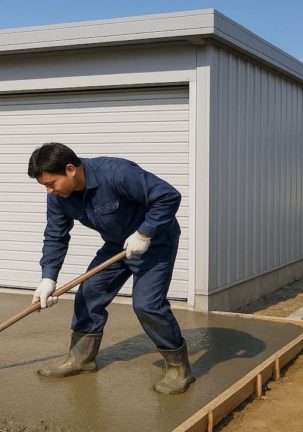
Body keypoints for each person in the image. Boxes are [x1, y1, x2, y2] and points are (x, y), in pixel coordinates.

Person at [27, 142, 194, 395]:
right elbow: (55, 236)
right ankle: (81, 359)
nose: (49, 191)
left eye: (51, 183)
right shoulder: (59, 198)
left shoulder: (116, 173)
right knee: (89, 292)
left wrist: (144, 233)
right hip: (116, 245)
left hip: (155, 242)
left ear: (70, 169)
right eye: (45, 186)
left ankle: (178, 368)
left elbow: (168, 196)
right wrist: (48, 278)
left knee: (147, 305)